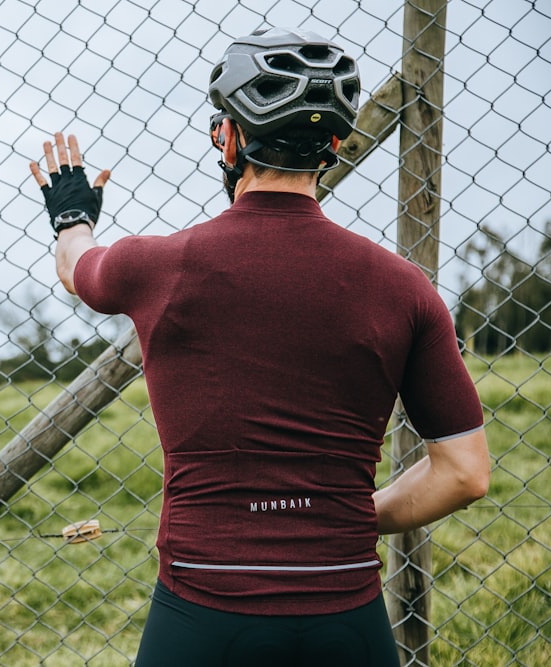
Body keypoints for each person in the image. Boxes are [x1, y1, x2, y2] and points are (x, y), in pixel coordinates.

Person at [28, 27, 490, 667]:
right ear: (332, 144)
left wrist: (72, 213)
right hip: (347, 611)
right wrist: (342, 517)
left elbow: (78, 266)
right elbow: (465, 473)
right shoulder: (402, 287)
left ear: (229, 138)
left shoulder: (157, 264)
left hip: (201, 605)